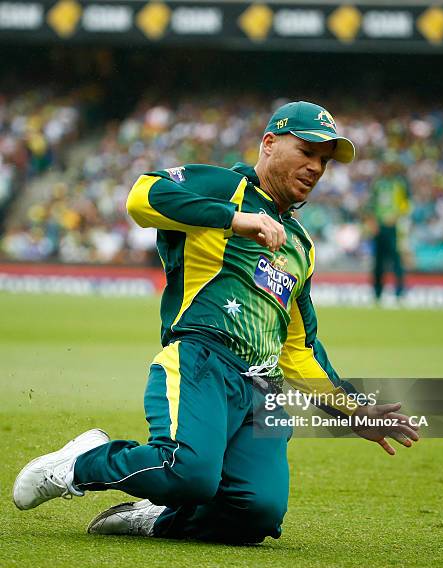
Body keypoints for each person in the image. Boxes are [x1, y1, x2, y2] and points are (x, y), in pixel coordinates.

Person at [13, 101, 419, 544]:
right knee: (188, 473)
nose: (316, 167)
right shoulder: (225, 187)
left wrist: (352, 410)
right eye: (307, 151)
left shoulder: (301, 244)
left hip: (262, 391)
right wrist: (236, 220)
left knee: (258, 513)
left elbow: (299, 350)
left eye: (324, 160)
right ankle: (82, 463)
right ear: (269, 143)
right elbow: (142, 197)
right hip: (203, 360)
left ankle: (153, 518)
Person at [365, 158, 411, 303]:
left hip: (393, 227)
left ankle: (399, 293)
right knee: (378, 261)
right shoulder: (378, 185)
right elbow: (371, 205)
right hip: (379, 227)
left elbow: (405, 205)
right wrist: (372, 222)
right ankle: (377, 294)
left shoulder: (399, 185)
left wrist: (396, 217)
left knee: (396, 260)